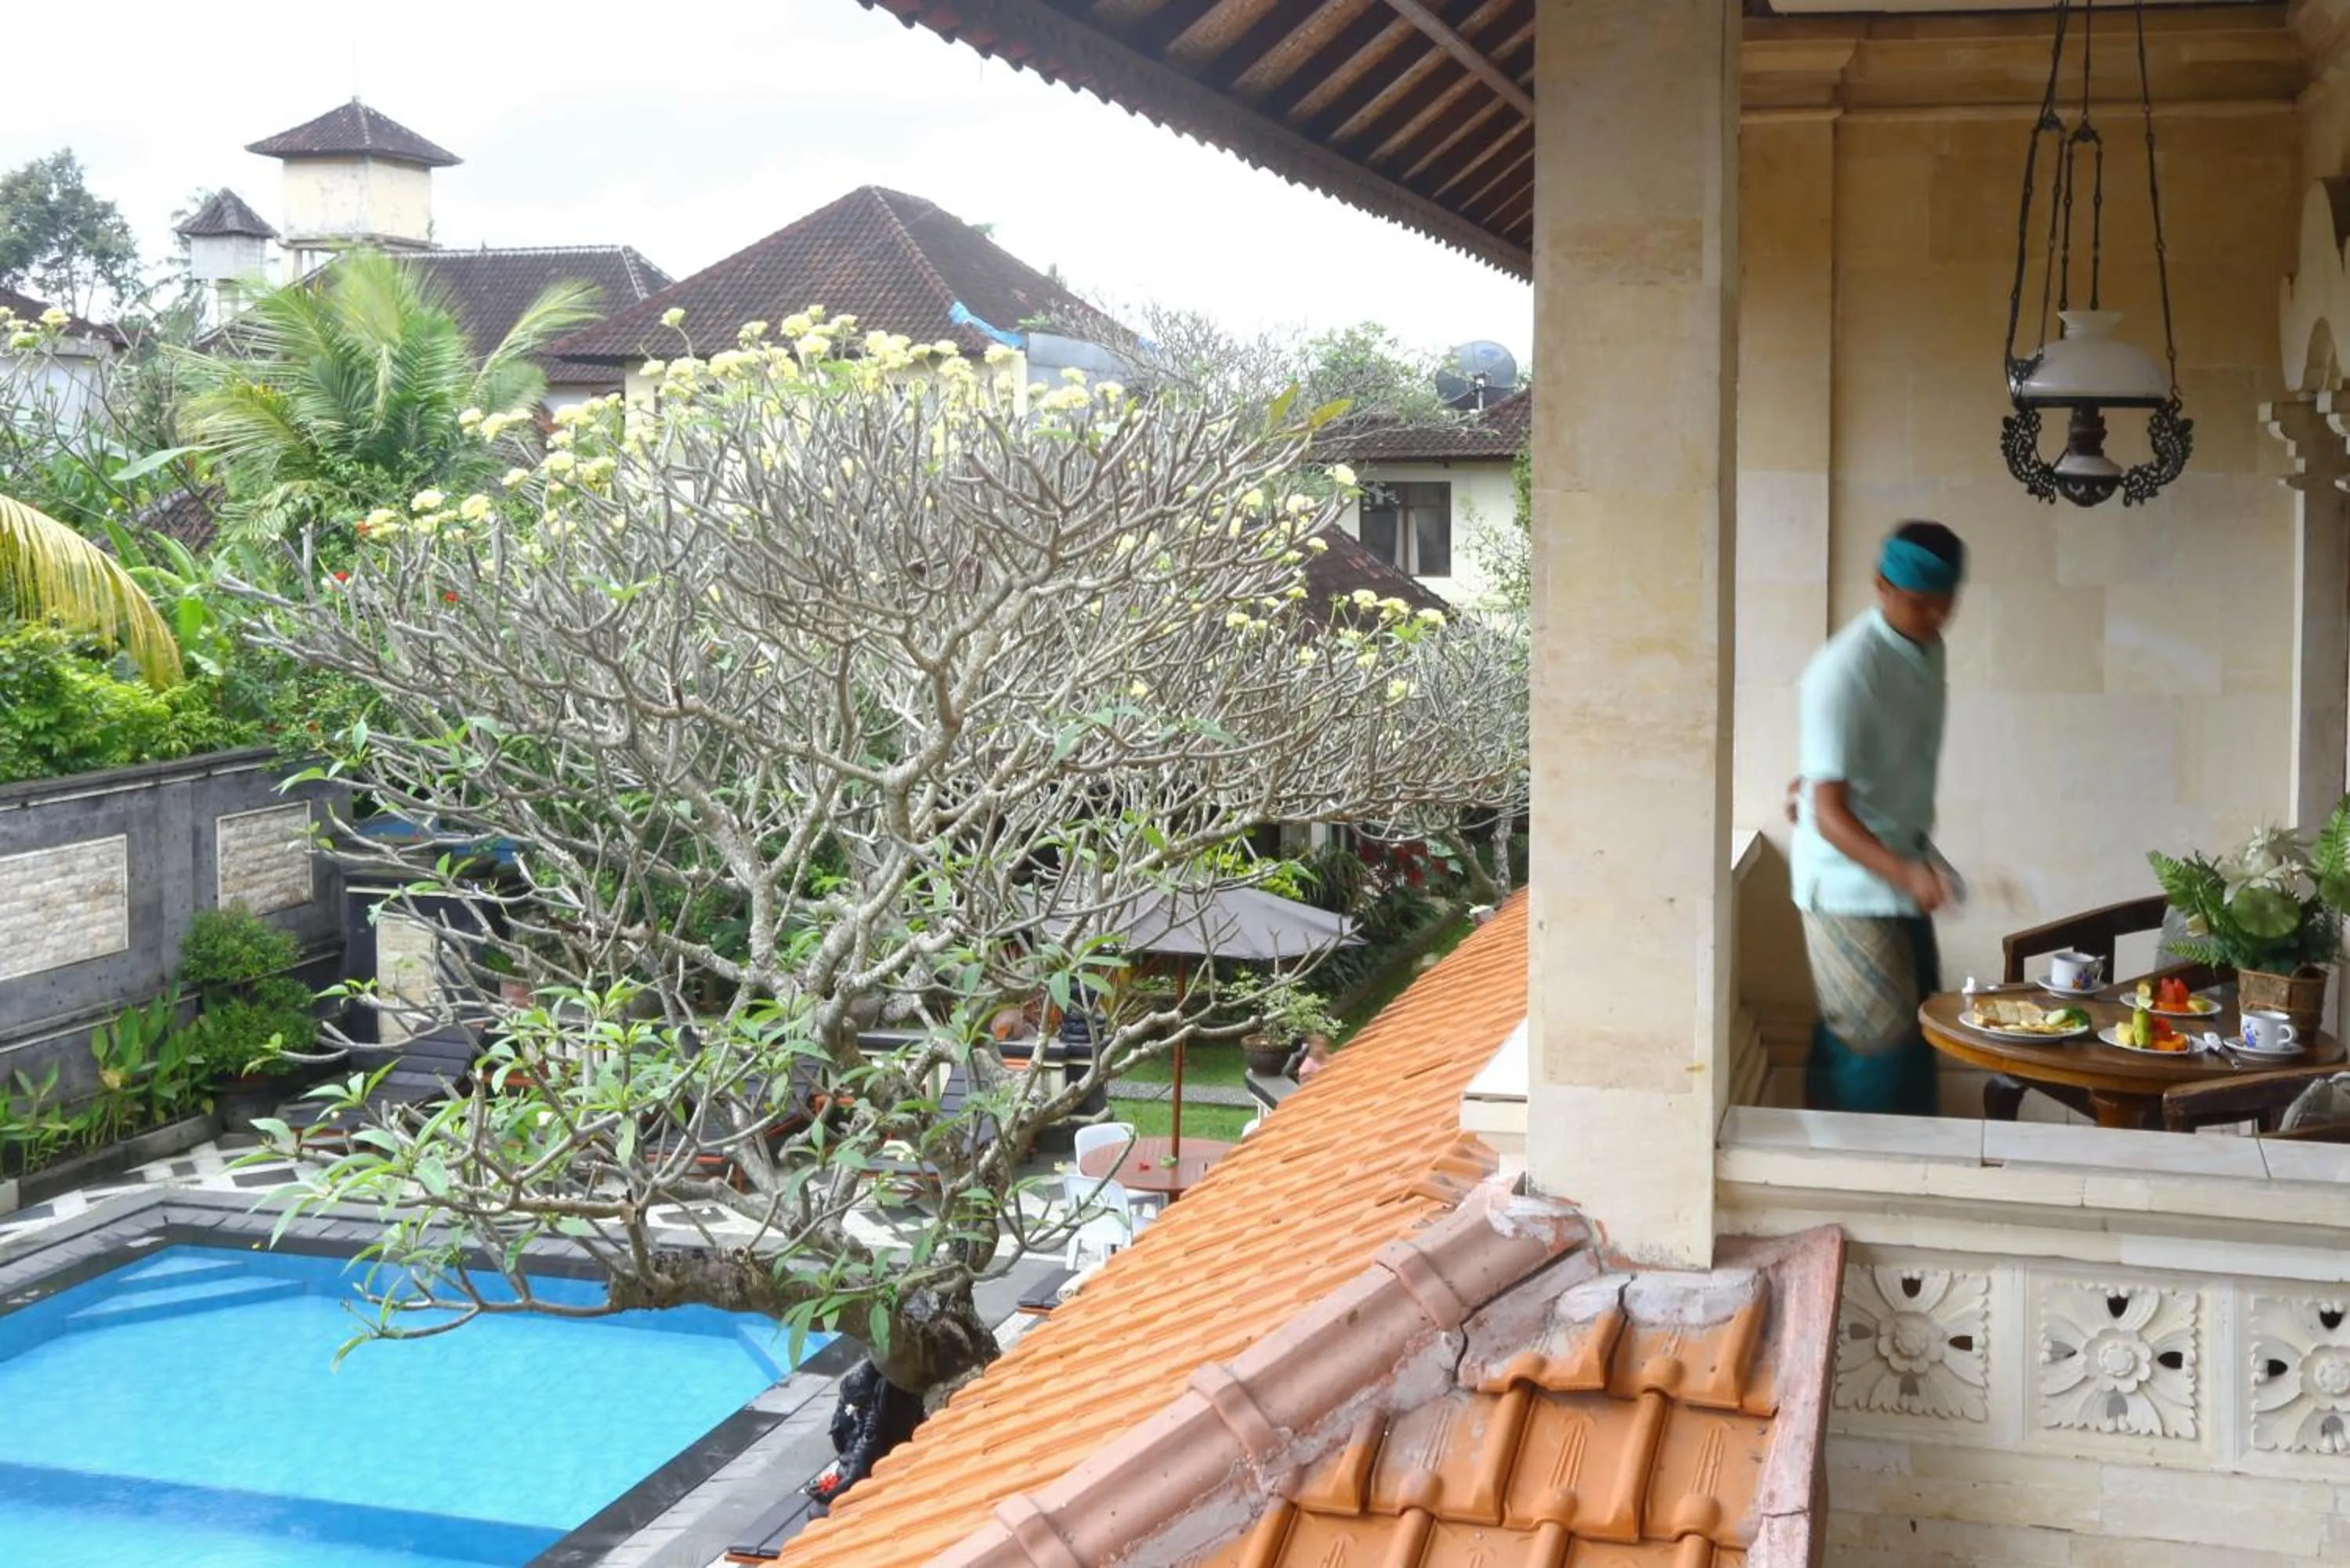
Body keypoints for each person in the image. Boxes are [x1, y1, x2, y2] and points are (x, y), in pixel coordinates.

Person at [1789, 520, 1966, 1115]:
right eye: (1921, 605)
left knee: (1919, 1027)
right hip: (1845, 882)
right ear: (1881, 586)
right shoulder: (1843, 672)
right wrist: (1908, 874)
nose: (1935, 619)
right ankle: (1842, 1177)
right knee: (1878, 1040)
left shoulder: (1924, 647)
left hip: (1897, 866)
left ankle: (1914, 1172)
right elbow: (1828, 814)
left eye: (1945, 607)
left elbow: (1841, 778)